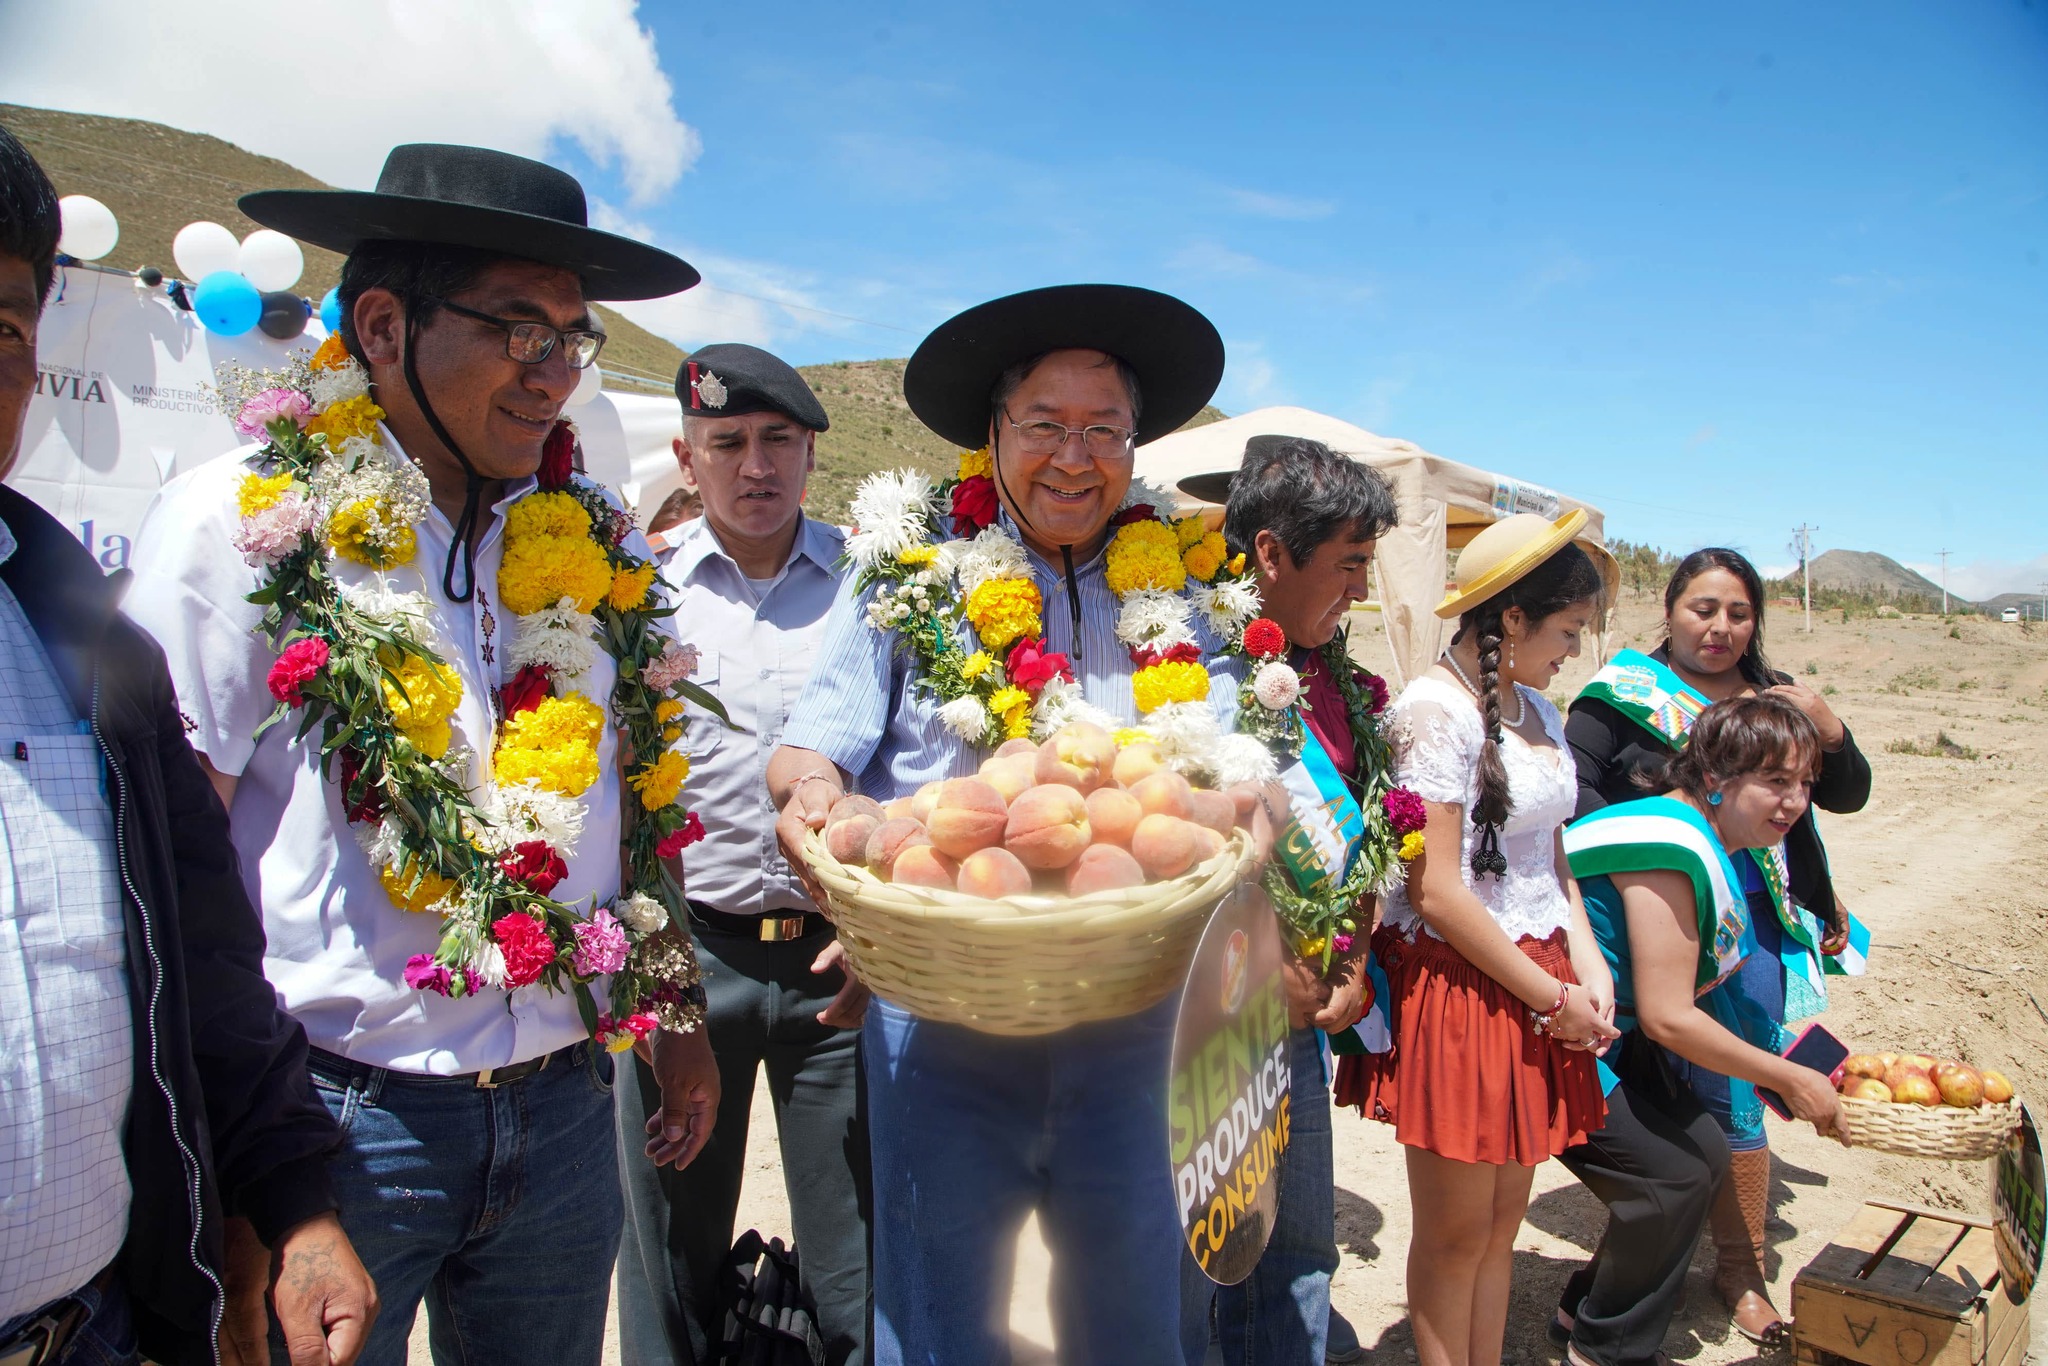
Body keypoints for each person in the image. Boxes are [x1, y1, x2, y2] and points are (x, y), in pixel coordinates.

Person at [126, 143, 720, 1366]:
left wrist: (670, 1009)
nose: (555, 372)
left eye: (573, 338)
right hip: (335, 1125)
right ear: (384, 326)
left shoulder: (596, 537)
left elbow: (636, 805)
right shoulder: (241, 524)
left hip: (564, 1110)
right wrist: (247, 1184)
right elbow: (168, 879)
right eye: (518, 329)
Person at [767, 284, 1269, 1365]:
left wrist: (1254, 822)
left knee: (1139, 1316)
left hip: (1142, 1008)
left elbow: (1236, 773)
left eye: (1105, 430)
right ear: (991, 435)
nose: (1074, 457)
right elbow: (814, 749)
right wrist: (813, 800)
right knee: (940, 1317)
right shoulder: (907, 576)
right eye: (1044, 425)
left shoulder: (1182, 590)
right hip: (946, 1014)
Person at [0, 121, 375, 1366]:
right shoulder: (236, 526)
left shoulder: (82, 648)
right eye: (511, 326)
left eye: (5, 334)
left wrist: (292, 1203)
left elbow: (198, 945)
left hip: (95, 1326)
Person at [615, 344, 871, 1365]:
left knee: (859, 1261)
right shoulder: (635, 592)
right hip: (689, 959)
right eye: (727, 443)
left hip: (839, 970)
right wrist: (659, 988)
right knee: (667, 1260)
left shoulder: (874, 588)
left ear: (812, 454)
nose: (753, 466)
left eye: (777, 442)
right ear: (687, 454)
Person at [1333, 511, 1618, 1366]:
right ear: (1514, 620)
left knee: (1501, 1225)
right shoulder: (1434, 711)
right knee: (1456, 1234)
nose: (1573, 649)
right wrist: (1555, 998)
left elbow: (1552, 858)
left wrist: (1588, 963)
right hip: (1468, 984)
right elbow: (1439, 892)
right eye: (1567, 630)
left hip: (1541, 977)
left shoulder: (1537, 708)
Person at [1565, 546, 1870, 1344]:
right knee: (1680, 1163)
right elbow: (1667, 1015)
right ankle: (1611, 1334)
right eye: (1778, 786)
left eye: (1804, 786)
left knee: (1700, 1146)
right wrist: (1789, 1082)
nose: (1796, 805)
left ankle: (1617, 1300)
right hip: (1576, 1022)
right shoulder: (1671, 844)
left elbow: (1845, 793)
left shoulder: (1719, 836)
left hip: (1636, 999)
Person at [1178, 436, 1399, 1364]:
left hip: (1303, 1020)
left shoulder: (1337, 684)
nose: (1358, 589)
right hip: (1209, 1029)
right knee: (1202, 1266)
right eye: (1347, 565)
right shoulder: (1188, 677)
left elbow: (1371, 843)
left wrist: (1352, 956)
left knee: (1299, 1250)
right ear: (1271, 554)